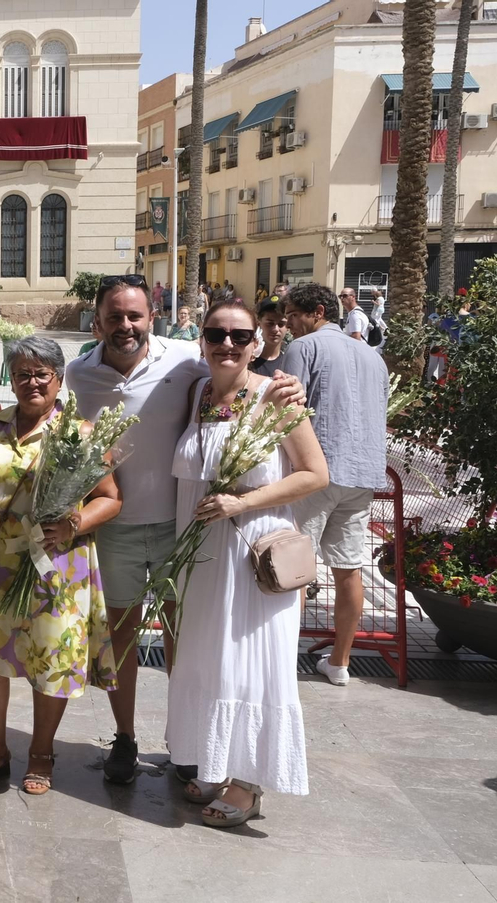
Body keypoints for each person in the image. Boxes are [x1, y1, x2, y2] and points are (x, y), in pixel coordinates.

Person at [64, 274, 303, 788]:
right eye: (114, 316)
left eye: (135, 315)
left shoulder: (186, 363)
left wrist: (283, 382)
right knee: (121, 643)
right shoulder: (78, 374)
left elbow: (239, 373)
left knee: (186, 643)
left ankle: (187, 744)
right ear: (97, 319)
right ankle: (125, 738)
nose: (125, 325)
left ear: (154, 317)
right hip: (116, 531)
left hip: (182, 526)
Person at [166, 300, 329, 828]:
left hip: (251, 553)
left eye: (240, 336)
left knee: (252, 662)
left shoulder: (277, 397)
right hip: (202, 555)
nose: (228, 344)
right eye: (217, 333)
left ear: (257, 343)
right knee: (209, 659)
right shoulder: (198, 393)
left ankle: (249, 784)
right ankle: (216, 764)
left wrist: (243, 502)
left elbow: (314, 474)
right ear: (201, 338)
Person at [0, 336, 122, 796]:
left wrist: (74, 522)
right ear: (11, 378)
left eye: (42, 374)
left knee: (51, 660)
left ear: (59, 380)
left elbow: (111, 499)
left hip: (55, 568)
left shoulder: (78, 432)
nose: (31, 382)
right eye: (22, 373)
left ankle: (41, 753)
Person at [280, 283, 390, 687]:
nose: (288, 323)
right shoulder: (373, 358)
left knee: (293, 567)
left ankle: (281, 657)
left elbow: (287, 411)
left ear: (317, 311)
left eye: (293, 314)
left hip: (316, 471)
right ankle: (340, 661)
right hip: (363, 474)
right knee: (349, 569)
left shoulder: (305, 348)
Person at [250, 298, 288, 375]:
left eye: (281, 324)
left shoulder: (289, 362)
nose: (276, 329)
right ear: (258, 324)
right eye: (270, 324)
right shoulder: (247, 362)